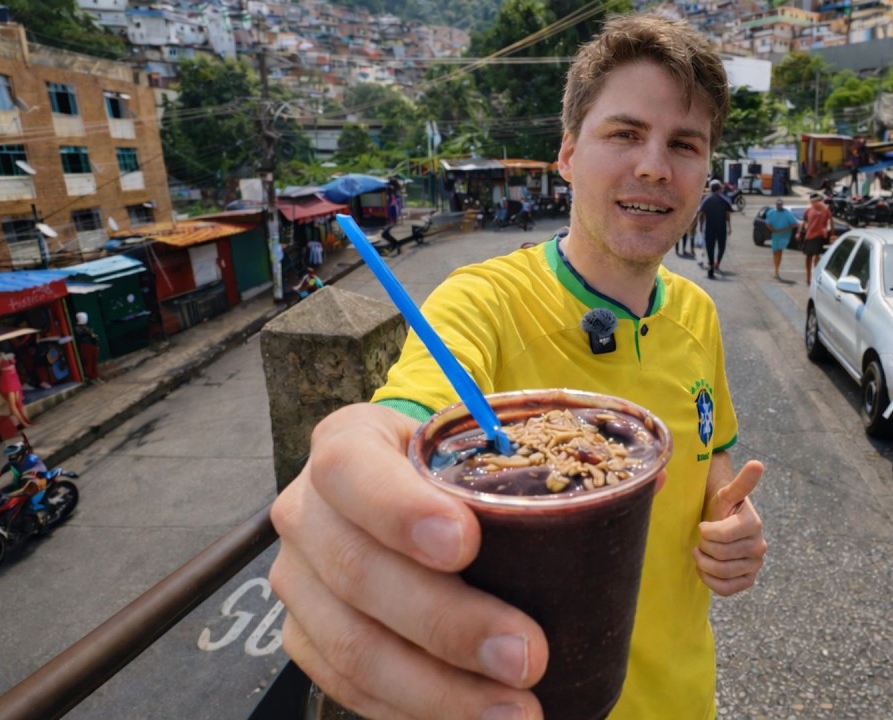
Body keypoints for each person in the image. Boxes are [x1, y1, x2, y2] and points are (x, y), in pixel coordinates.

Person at [267, 14, 767, 720]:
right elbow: (406, 419)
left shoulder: (697, 312)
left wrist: (729, 518)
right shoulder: (483, 302)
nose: (655, 164)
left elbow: (712, 452)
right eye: (624, 134)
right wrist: (351, 484)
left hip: (687, 697)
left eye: (684, 144)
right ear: (567, 155)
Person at [697, 179, 734, 278]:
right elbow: (727, 214)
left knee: (710, 247)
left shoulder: (706, 200)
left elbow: (702, 214)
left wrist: (701, 226)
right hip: (721, 227)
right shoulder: (724, 199)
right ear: (719, 188)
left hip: (709, 228)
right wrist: (730, 227)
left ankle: (711, 265)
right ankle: (717, 262)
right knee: (721, 246)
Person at [798, 192, 834, 285]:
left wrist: (832, 234)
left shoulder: (826, 210)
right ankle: (808, 277)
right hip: (809, 236)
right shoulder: (808, 210)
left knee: (817, 256)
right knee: (809, 257)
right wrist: (799, 232)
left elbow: (830, 222)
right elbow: (804, 222)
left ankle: (815, 276)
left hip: (820, 236)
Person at [0, 352, 34, 427]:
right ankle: (23, 423)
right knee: (13, 404)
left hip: (14, 379)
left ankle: (27, 420)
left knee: (18, 403)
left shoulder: (9, 355)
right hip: (7, 382)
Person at [765, 198, 798, 279]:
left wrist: (787, 229)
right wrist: (773, 230)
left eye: (780, 204)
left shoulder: (787, 213)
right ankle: (776, 269)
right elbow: (768, 223)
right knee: (775, 251)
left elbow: (795, 224)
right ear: (776, 205)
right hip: (775, 235)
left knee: (779, 251)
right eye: (777, 204)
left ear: (782, 205)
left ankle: (776, 270)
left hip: (784, 235)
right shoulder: (771, 212)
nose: (779, 205)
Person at [73, 312, 101, 384]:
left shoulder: (86, 327)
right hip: (85, 346)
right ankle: (91, 377)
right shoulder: (77, 328)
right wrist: (90, 334)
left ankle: (96, 376)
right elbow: (81, 336)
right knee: (88, 362)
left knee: (94, 361)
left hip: (91, 345)